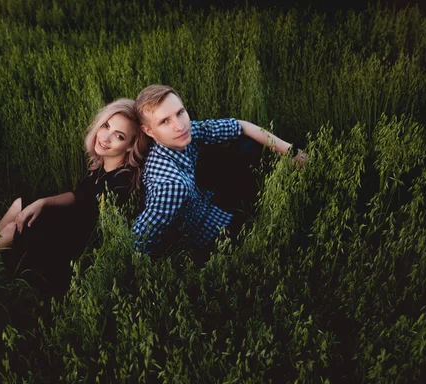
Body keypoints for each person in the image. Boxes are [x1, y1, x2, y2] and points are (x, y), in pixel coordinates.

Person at [0, 98, 148, 293]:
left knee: (15, 228)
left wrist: (47, 216)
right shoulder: (105, 166)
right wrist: (43, 202)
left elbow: (92, 228)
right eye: (106, 126)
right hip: (72, 224)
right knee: (21, 204)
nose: (105, 137)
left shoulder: (121, 181)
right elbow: (80, 195)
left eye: (119, 136)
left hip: (75, 246)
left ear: (130, 146)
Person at [131, 84, 307, 257]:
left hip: (207, 201)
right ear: (148, 130)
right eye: (164, 121)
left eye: (180, 112)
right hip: (209, 242)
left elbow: (241, 126)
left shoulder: (180, 135)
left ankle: (278, 186)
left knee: (246, 143)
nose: (179, 125)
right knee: (280, 240)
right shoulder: (172, 187)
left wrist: (294, 153)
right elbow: (137, 243)